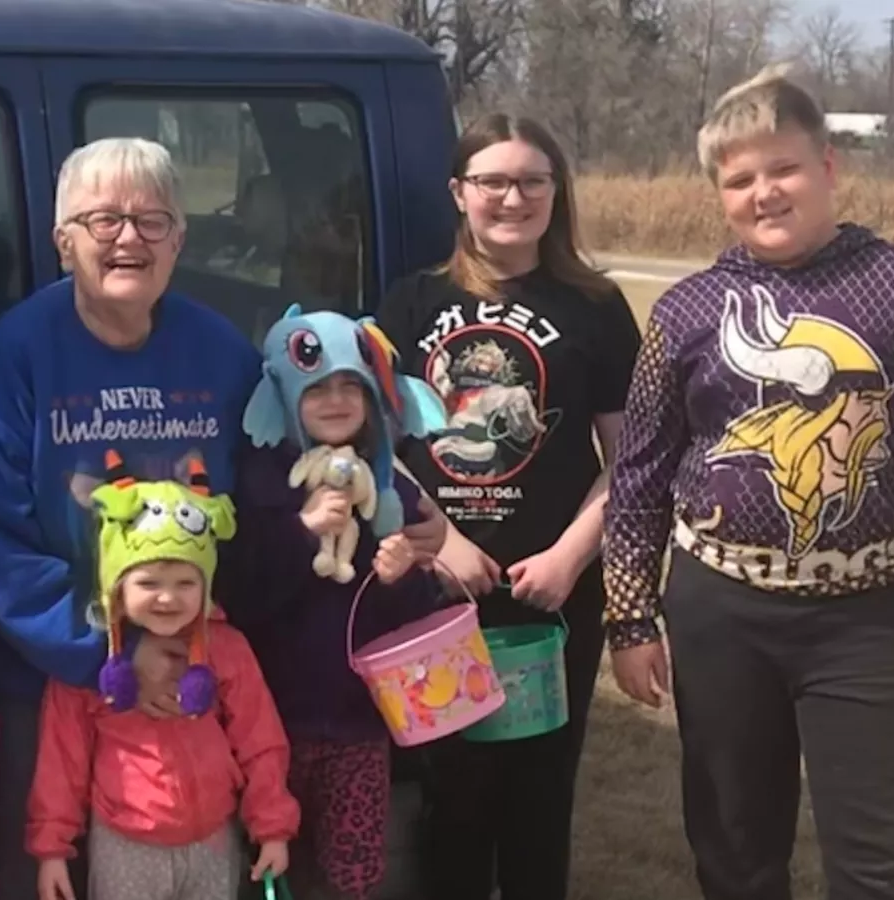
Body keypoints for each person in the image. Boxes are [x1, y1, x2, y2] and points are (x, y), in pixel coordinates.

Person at [0, 136, 448, 896]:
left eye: (152, 221)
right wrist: (111, 651)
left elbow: (309, 450)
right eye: (104, 219)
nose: (129, 239)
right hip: (53, 675)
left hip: (199, 671)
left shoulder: (218, 352)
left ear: (180, 240)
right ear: (63, 241)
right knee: (44, 872)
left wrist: (406, 508)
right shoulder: (14, 355)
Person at [601, 64, 894, 900]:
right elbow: (638, 474)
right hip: (719, 616)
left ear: (828, 166)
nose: (764, 193)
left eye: (783, 168)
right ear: (719, 195)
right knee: (735, 855)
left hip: (864, 618)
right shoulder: (687, 312)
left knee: (875, 862)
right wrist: (630, 617)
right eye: (739, 179)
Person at [374, 113, 643, 900]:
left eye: (532, 181)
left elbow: (632, 461)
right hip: (436, 597)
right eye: (493, 181)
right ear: (459, 192)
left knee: (539, 799)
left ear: (556, 193)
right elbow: (375, 446)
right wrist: (439, 540)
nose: (513, 198)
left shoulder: (596, 306)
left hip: (550, 601)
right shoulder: (411, 302)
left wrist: (569, 558)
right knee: (449, 801)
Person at [221, 308, 445, 900]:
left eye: (352, 386)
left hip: (359, 726)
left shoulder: (388, 489)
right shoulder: (260, 481)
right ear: (283, 397)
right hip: (269, 726)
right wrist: (302, 531)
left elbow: (413, 625)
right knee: (270, 867)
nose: (337, 400)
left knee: (353, 876)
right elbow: (242, 597)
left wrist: (400, 578)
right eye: (317, 388)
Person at [26, 464, 299, 900]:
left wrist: (272, 828)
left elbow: (260, 742)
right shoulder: (89, 663)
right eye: (148, 582)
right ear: (117, 588)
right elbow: (62, 762)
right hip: (126, 846)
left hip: (213, 841)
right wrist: (51, 849)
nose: (168, 597)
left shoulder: (227, 649)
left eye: (186, 582)